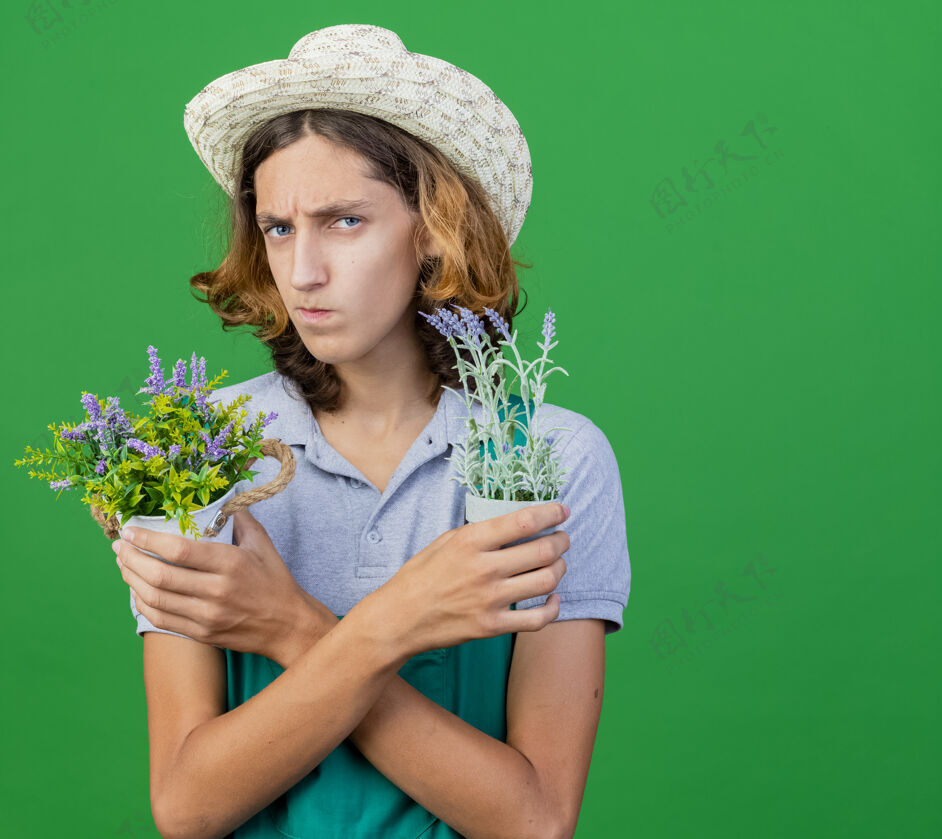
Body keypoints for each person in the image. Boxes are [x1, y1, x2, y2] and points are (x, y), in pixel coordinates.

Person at [112, 24, 631, 839]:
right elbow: (188, 805)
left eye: (344, 221)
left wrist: (289, 627)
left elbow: (533, 821)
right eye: (279, 227)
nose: (303, 271)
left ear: (433, 228)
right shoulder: (201, 447)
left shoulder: (554, 460)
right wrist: (396, 621)